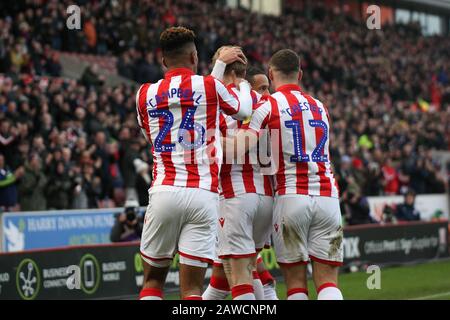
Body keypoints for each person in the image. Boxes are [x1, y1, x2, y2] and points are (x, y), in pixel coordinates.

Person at [136, 27, 252, 300]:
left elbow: (150, 137)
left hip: (164, 191)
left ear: (163, 61)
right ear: (194, 57)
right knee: (192, 290)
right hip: (203, 195)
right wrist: (242, 83)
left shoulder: (143, 94)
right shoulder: (210, 86)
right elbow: (243, 112)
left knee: (153, 281)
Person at [244, 49, 344, 300]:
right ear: (299, 74)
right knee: (328, 283)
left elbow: (245, 143)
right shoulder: (320, 107)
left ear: (270, 74)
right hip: (327, 198)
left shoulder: (267, 105)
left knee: (296, 284)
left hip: (290, 197)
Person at [203, 48, 276, 300]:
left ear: (221, 69)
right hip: (266, 196)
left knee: (240, 278)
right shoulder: (265, 102)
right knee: (246, 269)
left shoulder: (213, 102)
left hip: (234, 195)